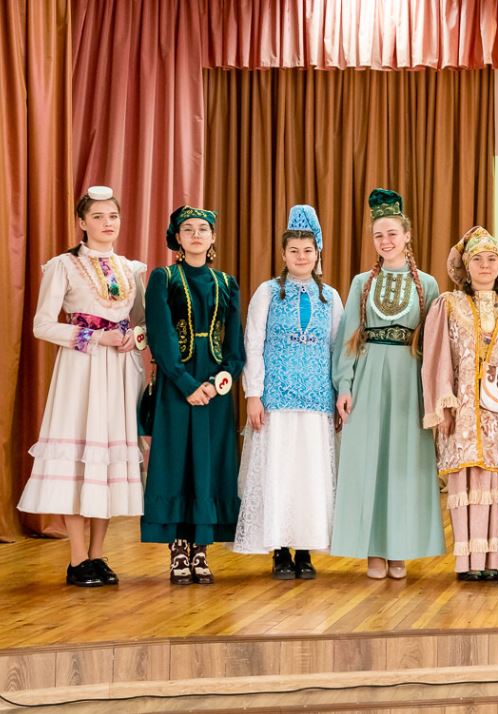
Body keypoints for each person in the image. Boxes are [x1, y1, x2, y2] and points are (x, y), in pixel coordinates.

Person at [18, 186, 146, 587]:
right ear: (82, 222)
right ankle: (76, 559)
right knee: (78, 457)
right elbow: (42, 325)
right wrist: (94, 337)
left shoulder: (130, 269)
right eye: (98, 217)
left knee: (105, 460)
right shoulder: (64, 266)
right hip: (81, 371)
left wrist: (134, 337)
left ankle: (97, 555)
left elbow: (143, 321)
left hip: (119, 372)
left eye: (113, 216)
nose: (107, 223)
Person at [330, 188, 444, 578]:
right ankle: (373, 549)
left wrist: (434, 395)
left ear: (407, 235)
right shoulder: (362, 282)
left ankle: (400, 548)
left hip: (409, 379)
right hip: (369, 376)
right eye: (379, 235)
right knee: (369, 462)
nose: (386, 240)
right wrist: (345, 386)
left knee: (404, 463)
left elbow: (433, 345)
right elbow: (350, 337)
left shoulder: (428, 284)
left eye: (392, 233)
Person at [233, 206, 344, 579]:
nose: (301, 257)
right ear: (283, 254)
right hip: (276, 399)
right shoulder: (267, 293)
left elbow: (338, 349)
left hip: (316, 399)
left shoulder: (330, 297)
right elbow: (253, 343)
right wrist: (253, 393)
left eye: (307, 250)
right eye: (294, 250)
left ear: (317, 253)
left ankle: (306, 549)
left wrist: (340, 393)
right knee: (279, 473)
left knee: (309, 476)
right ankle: (280, 549)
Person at [142, 204, 245, 584]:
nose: (197, 235)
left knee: (210, 461)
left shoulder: (226, 283)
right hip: (178, 384)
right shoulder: (164, 277)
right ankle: (178, 549)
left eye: (203, 229)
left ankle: (201, 548)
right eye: (189, 229)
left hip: (214, 387)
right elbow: (161, 334)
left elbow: (235, 343)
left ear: (213, 237)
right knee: (177, 461)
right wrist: (186, 384)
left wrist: (221, 381)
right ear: (178, 238)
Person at [422, 226, 498, 581]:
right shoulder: (448, 305)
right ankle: (467, 562)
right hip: (462, 409)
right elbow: (437, 356)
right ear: (466, 267)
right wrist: (443, 404)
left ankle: (491, 561)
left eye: (492, 259)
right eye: (478, 259)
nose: (485, 265)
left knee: (496, 481)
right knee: (466, 480)